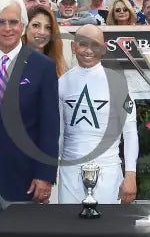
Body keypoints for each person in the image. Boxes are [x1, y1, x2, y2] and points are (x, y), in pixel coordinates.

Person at [0, 0, 60, 214]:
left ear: (23, 26)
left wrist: (45, 175)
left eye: (14, 22)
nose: (7, 28)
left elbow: (50, 126)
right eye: (1, 22)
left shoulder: (43, 67)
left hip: (25, 172)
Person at [56, 25, 137, 205]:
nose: (89, 50)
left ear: (104, 48)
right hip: (69, 173)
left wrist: (130, 175)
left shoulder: (118, 82)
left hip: (109, 172)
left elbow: (130, 132)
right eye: (83, 44)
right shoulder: (62, 83)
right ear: (73, 47)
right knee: (67, 229)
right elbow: (57, 133)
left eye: (95, 45)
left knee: (106, 231)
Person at [26, 5, 68, 75]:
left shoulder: (59, 64)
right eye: (36, 25)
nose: (42, 32)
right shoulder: (13, 60)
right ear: (25, 27)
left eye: (48, 27)